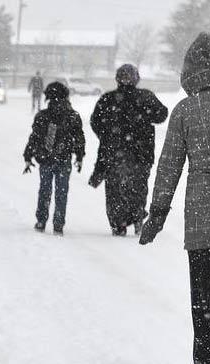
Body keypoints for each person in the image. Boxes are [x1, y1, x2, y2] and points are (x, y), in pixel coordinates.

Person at [139, 32, 210, 363]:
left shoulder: (185, 110)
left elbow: (168, 168)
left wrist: (157, 213)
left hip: (201, 227)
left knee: (204, 308)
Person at [90, 64, 168, 236]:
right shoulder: (145, 96)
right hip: (141, 152)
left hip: (116, 152)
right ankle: (136, 216)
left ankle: (119, 222)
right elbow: (162, 114)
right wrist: (145, 116)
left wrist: (107, 135)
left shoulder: (108, 99)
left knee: (115, 190)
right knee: (137, 188)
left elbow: (95, 121)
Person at [23, 81, 85, 236]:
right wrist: (79, 155)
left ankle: (41, 220)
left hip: (45, 158)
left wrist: (28, 155)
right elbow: (79, 138)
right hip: (63, 159)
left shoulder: (43, 116)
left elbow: (34, 138)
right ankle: (58, 223)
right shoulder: (72, 116)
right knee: (61, 192)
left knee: (45, 190)